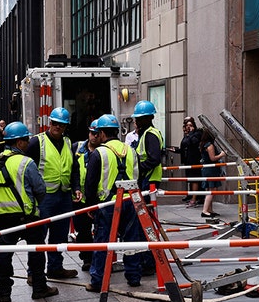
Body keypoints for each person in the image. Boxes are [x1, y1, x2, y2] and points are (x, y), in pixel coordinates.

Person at [0, 122, 58, 302]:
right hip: (26, 215)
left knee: (4, 253)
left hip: (2, 216)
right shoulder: (26, 162)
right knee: (36, 251)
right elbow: (40, 189)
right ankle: (39, 288)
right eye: (26, 139)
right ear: (19, 142)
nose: (28, 143)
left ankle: (3, 292)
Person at [83, 114, 145, 292]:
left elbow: (90, 183)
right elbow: (137, 177)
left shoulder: (99, 153)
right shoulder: (131, 151)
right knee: (131, 241)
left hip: (108, 205)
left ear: (102, 133)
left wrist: (91, 206)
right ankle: (134, 277)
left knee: (103, 243)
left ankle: (98, 280)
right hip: (131, 201)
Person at [26, 107, 82, 279]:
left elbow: (74, 168)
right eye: (55, 124)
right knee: (39, 235)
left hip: (63, 194)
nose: (58, 127)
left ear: (66, 127)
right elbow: (27, 168)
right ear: (49, 123)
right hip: (44, 197)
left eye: (62, 125)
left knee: (59, 234)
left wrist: (76, 187)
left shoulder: (67, 142)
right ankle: (33, 273)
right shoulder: (37, 142)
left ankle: (55, 267)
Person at [132, 100, 164, 275]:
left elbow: (153, 160)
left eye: (139, 118)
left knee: (145, 224)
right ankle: (147, 260)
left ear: (148, 118)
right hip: (146, 181)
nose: (136, 121)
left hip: (148, 181)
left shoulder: (150, 135)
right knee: (144, 223)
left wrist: (137, 169)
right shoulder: (145, 134)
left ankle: (149, 262)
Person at [72, 119, 101, 271]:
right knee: (83, 231)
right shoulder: (77, 148)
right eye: (92, 133)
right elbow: (73, 171)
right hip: (80, 198)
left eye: (97, 134)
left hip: (98, 197)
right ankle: (87, 258)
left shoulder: (104, 151)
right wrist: (76, 188)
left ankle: (98, 258)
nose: (94, 137)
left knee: (100, 229)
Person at [168, 117, 202, 206]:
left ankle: (194, 199)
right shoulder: (186, 136)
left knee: (195, 180)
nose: (188, 127)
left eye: (190, 125)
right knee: (190, 179)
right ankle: (191, 196)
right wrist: (175, 150)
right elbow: (184, 148)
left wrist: (191, 133)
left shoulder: (197, 134)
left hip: (195, 160)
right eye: (187, 125)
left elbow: (194, 143)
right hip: (187, 161)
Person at [199, 127, 226, 219]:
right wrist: (221, 155)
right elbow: (213, 158)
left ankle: (209, 210)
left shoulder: (203, 145)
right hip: (211, 170)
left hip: (206, 169)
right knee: (212, 190)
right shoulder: (210, 146)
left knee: (209, 190)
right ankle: (205, 210)